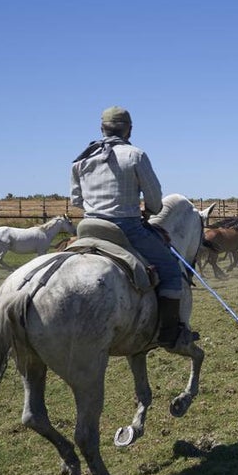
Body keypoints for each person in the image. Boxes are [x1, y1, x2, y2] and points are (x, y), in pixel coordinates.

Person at [70, 106, 192, 349]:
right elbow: (156, 201)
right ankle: (169, 334)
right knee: (169, 268)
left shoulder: (81, 160)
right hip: (126, 229)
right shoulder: (135, 155)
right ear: (129, 129)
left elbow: (76, 201)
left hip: (88, 228)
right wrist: (147, 211)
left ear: (101, 129)